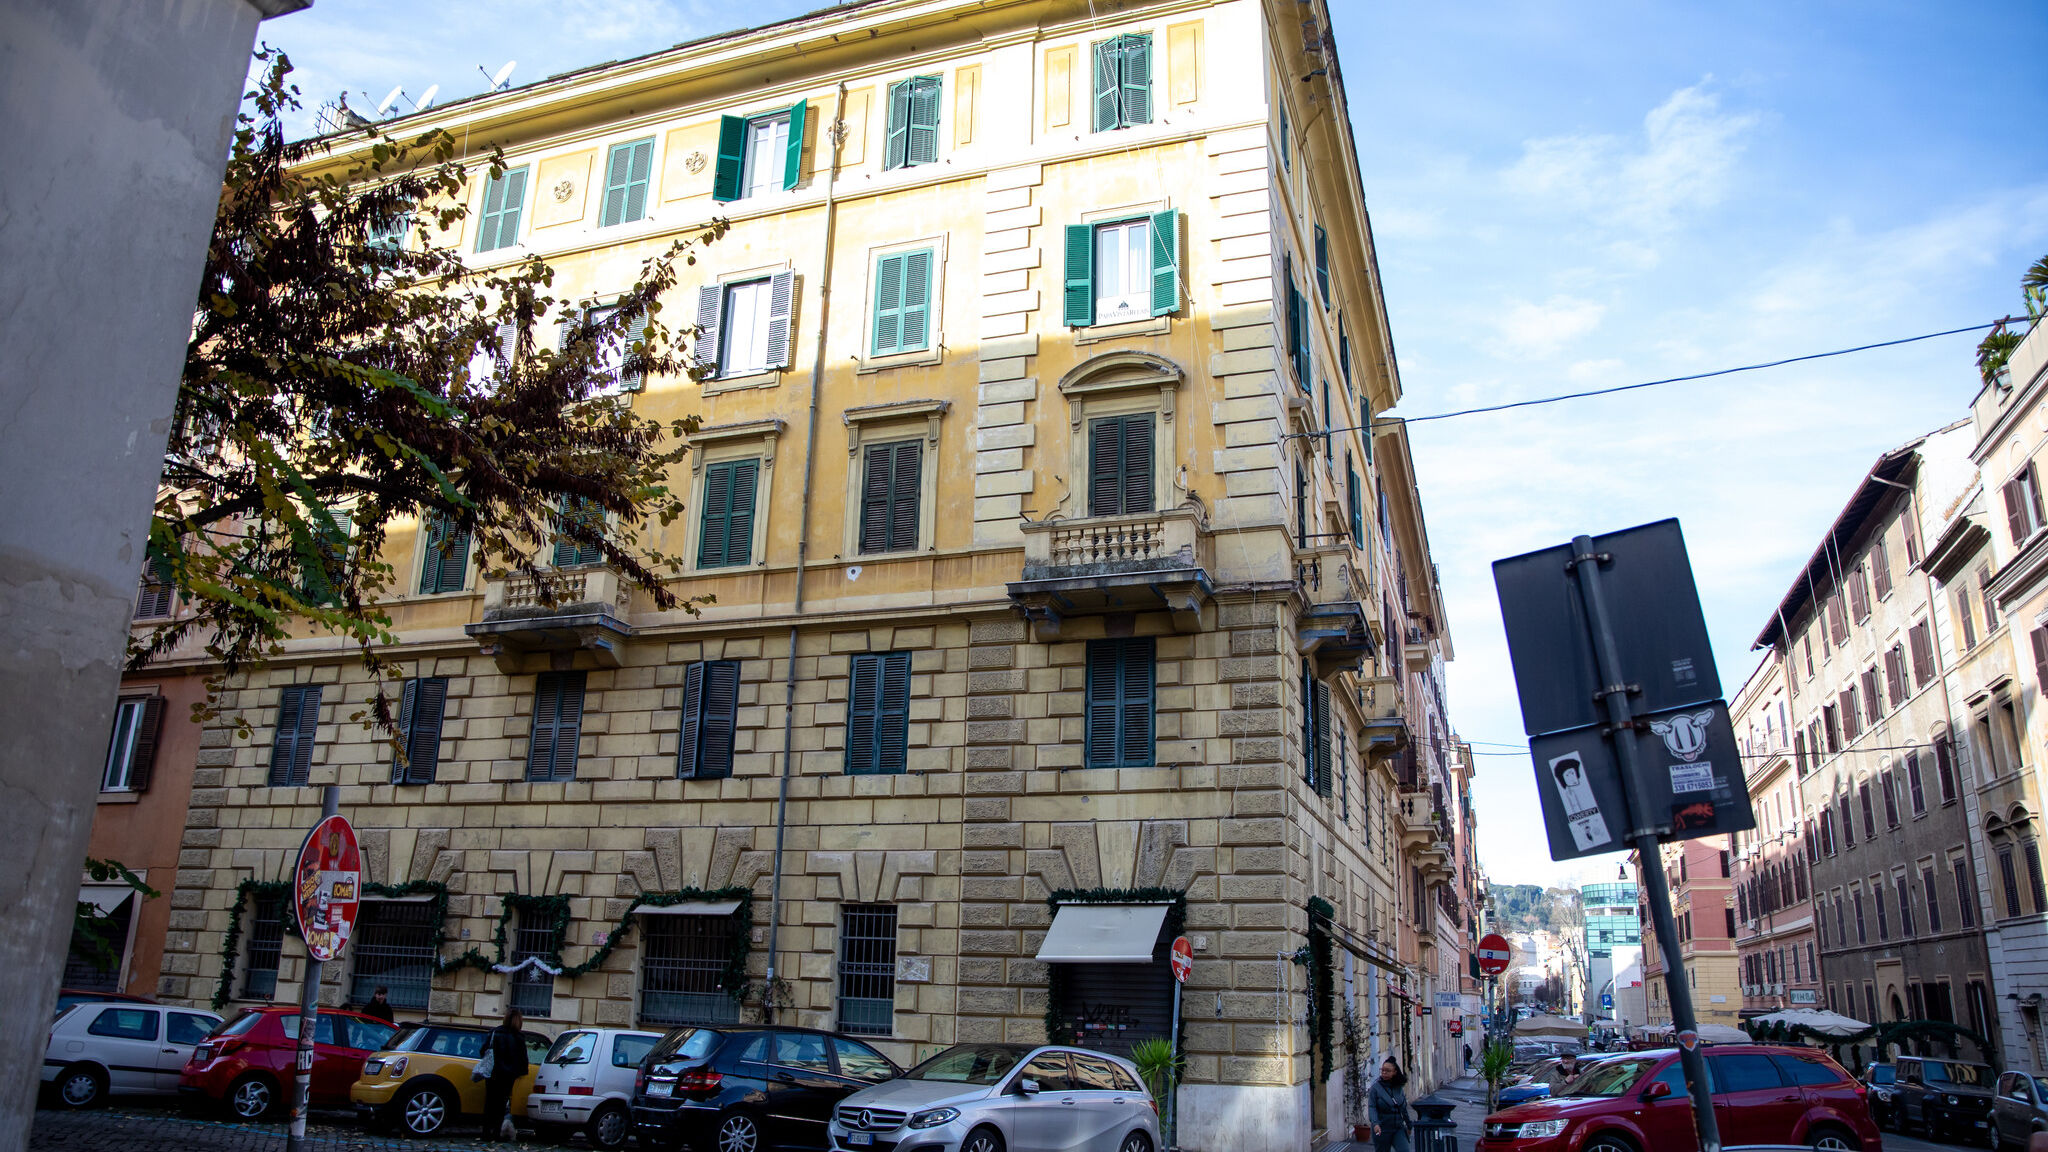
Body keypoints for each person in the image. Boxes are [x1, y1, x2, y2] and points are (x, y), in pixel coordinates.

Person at [482, 1009, 529, 1142]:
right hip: (508, 1075)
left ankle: (486, 1132)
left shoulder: (494, 1032)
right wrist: (521, 1072)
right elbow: (523, 1058)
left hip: (492, 1073)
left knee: (489, 1102)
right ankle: (497, 1132)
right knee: (502, 1104)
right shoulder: (519, 1037)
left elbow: (483, 1050)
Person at [1368, 1057, 1410, 1152]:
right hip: (1382, 1128)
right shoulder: (1375, 1088)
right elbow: (1372, 1107)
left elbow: (1403, 1107)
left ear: (1395, 1072)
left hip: (1398, 1128)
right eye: (1382, 1070)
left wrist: (1409, 1124)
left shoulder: (1398, 1088)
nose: (1384, 1073)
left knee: (1404, 1150)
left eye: (1387, 1071)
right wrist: (1375, 1124)